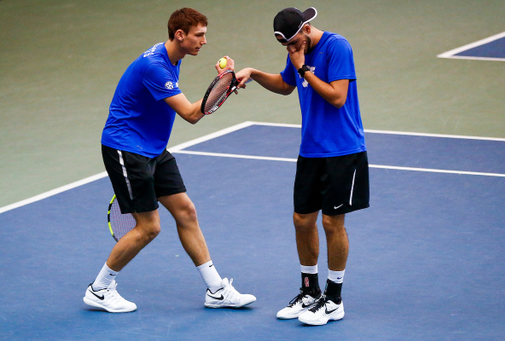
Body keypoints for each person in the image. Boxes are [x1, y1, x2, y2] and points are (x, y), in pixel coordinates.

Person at [83, 7, 256, 313]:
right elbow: (191, 114)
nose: (204, 41)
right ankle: (99, 289)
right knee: (148, 227)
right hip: (126, 148)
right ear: (180, 35)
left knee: (186, 212)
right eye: (199, 35)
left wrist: (222, 84)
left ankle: (216, 290)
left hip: (151, 148)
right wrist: (225, 86)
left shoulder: (172, 57)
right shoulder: (156, 68)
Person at [236, 7, 369, 325]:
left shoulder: (338, 46)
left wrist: (304, 68)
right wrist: (253, 73)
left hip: (342, 149)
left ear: (307, 29)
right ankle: (309, 291)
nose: (291, 49)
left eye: (294, 42)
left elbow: (337, 97)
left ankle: (334, 299)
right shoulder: (297, 50)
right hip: (310, 150)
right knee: (302, 221)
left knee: (331, 224)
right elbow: (286, 84)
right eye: (286, 46)